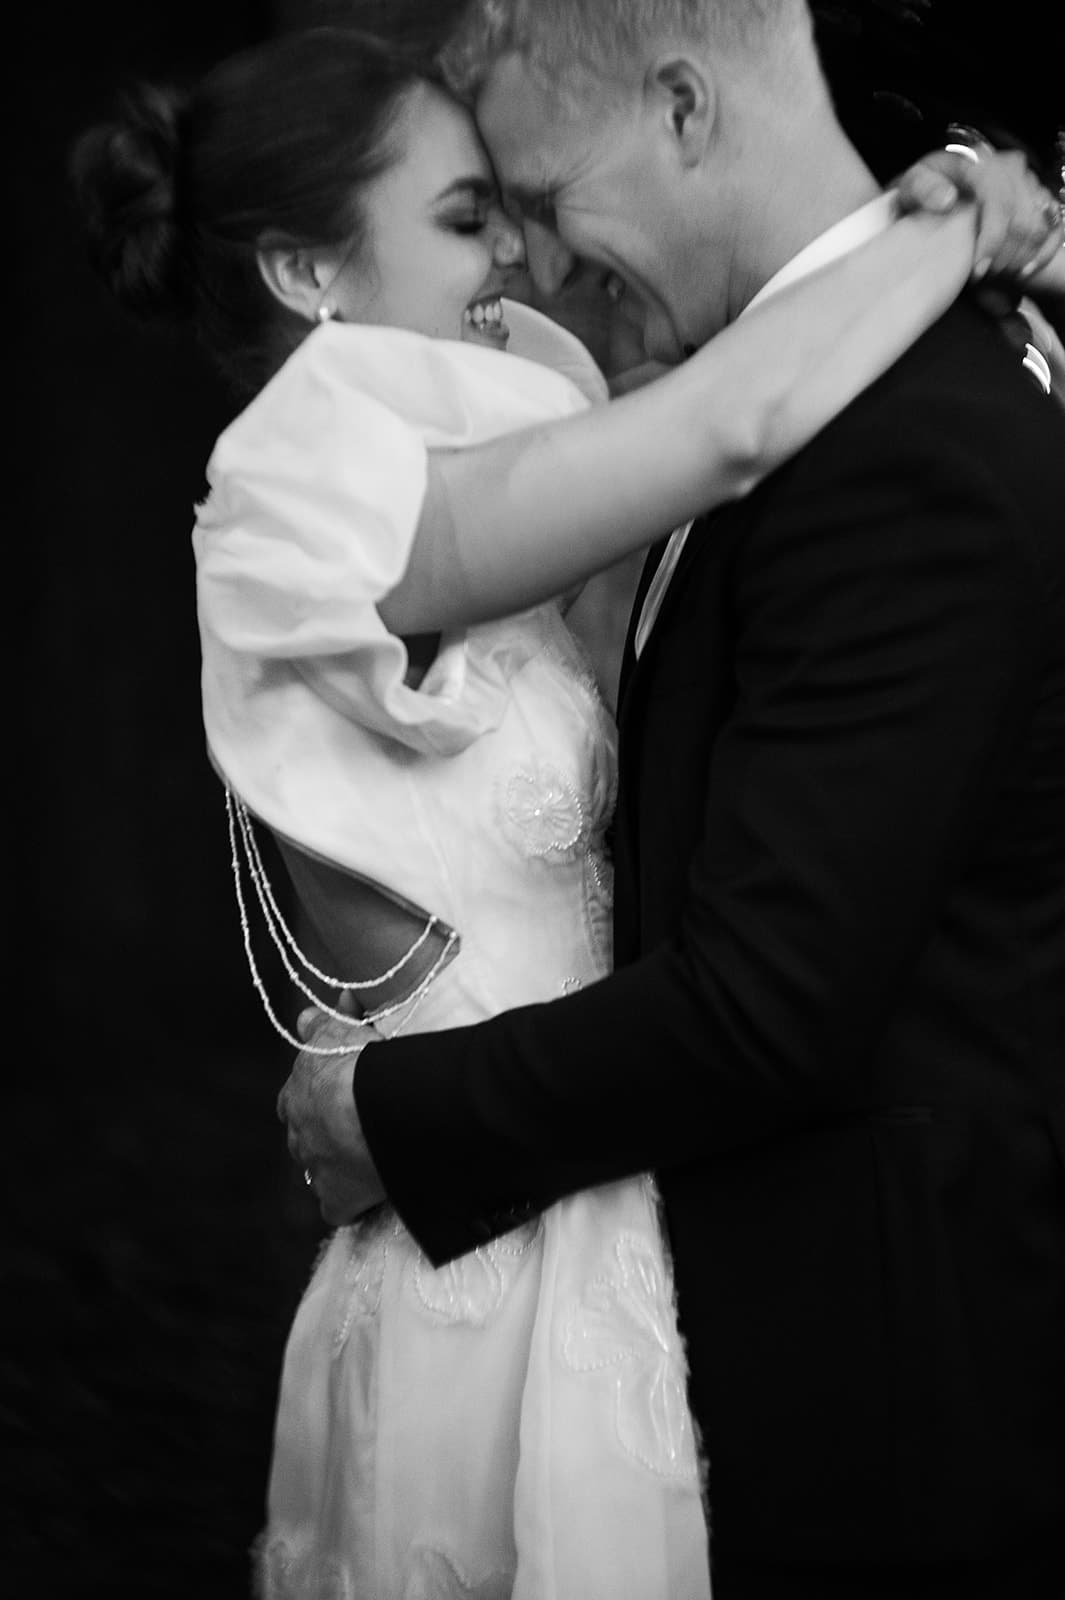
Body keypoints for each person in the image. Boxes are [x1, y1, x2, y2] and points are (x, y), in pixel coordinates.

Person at [70, 20, 1061, 1600]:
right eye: (472, 216)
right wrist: (946, 218)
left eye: (520, 205)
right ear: (305, 272)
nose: (519, 261)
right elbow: (729, 420)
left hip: (603, 1204)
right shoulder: (299, 491)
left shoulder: (520, 434)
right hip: (490, 1236)